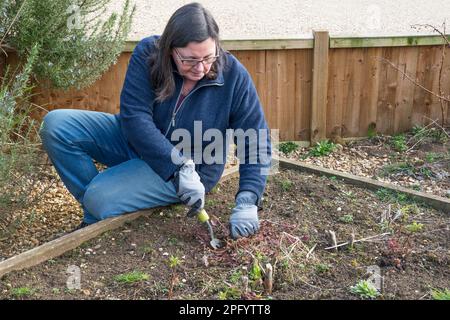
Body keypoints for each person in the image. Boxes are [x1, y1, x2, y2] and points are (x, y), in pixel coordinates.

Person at [39, 2, 271, 239]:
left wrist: (248, 199)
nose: (200, 68)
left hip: (193, 169)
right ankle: (100, 206)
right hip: (139, 144)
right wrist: (175, 167)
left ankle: (99, 206)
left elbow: (256, 138)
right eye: (189, 60)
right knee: (56, 125)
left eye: (209, 57)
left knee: (99, 198)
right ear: (171, 49)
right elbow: (134, 116)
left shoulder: (234, 76)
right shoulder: (149, 53)